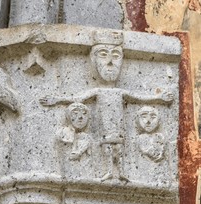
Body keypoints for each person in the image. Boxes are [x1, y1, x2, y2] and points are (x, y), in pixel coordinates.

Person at [40, 30, 173, 181]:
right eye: (103, 55)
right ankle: (109, 171)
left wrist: (159, 98)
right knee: (107, 147)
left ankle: (121, 172)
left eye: (115, 56)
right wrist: (57, 99)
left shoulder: (120, 92)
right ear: (93, 59)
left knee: (120, 148)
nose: (110, 62)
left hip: (118, 124)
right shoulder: (98, 91)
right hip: (104, 125)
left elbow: (140, 98)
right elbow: (77, 98)